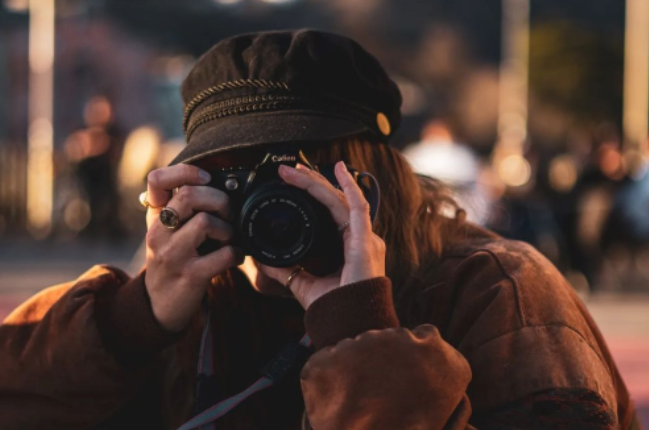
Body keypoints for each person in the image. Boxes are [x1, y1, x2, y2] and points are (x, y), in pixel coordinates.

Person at [0, 30, 641, 430]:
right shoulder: (197, 299)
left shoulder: (496, 288)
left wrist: (360, 331)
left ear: (371, 176)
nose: (265, 209)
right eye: (232, 177)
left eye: (289, 176)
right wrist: (131, 320)